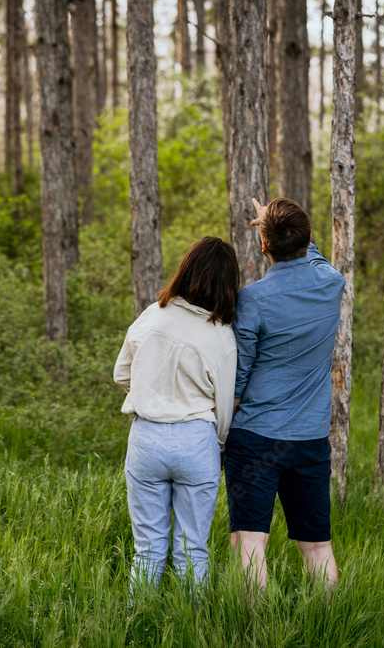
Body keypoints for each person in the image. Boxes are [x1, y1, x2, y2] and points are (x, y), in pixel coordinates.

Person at [223, 197, 346, 596]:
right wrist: (281, 224)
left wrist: (223, 429)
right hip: (310, 440)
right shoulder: (331, 282)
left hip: (256, 438)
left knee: (249, 541)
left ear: (263, 246)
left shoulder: (252, 299)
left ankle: (257, 631)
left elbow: (239, 378)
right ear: (307, 238)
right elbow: (313, 252)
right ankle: (326, 627)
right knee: (318, 546)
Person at [113, 236, 240, 590]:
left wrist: (150, 394)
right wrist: (217, 445)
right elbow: (225, 408)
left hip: (146, 437)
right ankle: (190, 626)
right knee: (192, 550)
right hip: (197, 439)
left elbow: (121, 373)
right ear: (229, 284)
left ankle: (137, 623)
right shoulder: (222, 337)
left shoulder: (152, 315)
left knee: (147, 550)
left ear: (185, 270)